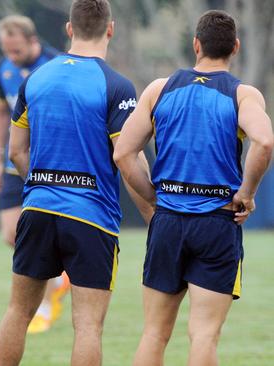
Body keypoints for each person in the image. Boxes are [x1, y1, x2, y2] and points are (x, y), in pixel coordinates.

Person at [0, 1, 153, 365]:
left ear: (69, 29)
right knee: (87, 327)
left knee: (18, 312)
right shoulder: (116, 85)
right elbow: (127, 158)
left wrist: (40, 181)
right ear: (110, 29)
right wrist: (153, 213)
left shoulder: (36, 79)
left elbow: (17, 151)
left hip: (37, 209)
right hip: (90, 217)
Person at [113, 10, 273, 366]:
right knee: (203, 335)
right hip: (218, 223)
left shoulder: (160, 88)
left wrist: (155, 199)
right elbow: (263, 141)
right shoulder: (243, 95)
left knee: (154, 333)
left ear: (196, 44)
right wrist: (246, 194)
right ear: (235, 48)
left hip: (168, 222)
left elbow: (123, 152)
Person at [0, 14, 70, 334]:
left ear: (32, 40)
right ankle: (58, 279)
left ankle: (46, 306)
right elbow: (0, 112)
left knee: (41, 237)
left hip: (49, 163)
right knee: (11, 234)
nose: (11, 57)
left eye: (17, 51)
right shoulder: (2, 69)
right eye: (6, 51)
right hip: (13, 161)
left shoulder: (57, 65)